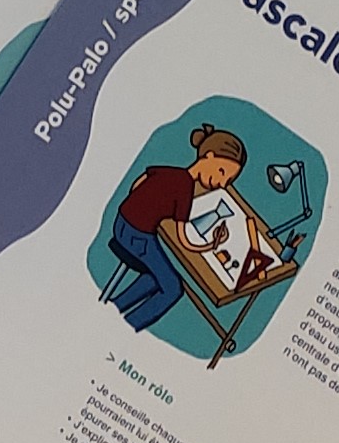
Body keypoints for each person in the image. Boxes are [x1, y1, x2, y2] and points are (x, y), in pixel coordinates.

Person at [108, 125, 259, 333]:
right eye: (222, 172)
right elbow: (184, 242)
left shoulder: (173, 172)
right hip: (137, 237)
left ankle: (114, 308)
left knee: (156, 277)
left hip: (121, 222)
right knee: (173, 288)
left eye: (229, 180)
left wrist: (147, 208)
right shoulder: (185, 189)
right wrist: (211, 245)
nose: (223, 183)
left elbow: (139, 182)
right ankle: (128, 325)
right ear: (209, 156)